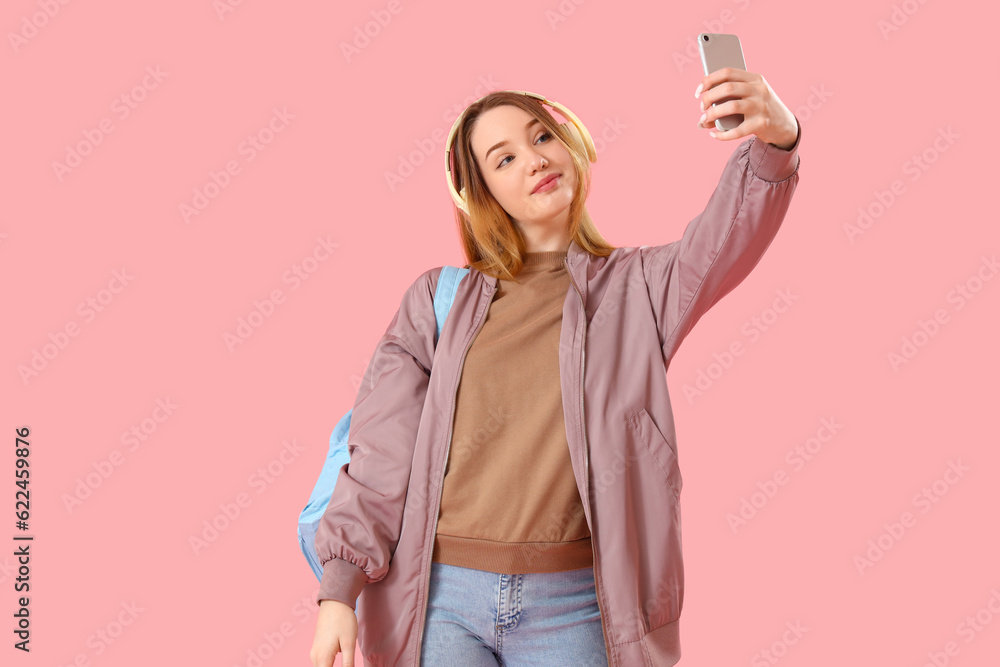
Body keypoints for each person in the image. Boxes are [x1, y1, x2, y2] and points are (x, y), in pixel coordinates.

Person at [310, 68, 802, 667]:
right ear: (482, 194)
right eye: (505, 158)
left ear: (571, 148)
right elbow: (381, 450)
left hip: (578, 605)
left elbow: (728, 239)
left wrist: (777, 141)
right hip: (441, 598)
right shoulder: (435, 302)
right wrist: (340, 591)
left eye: (542, 137)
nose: (535, 160)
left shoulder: (638, 288)